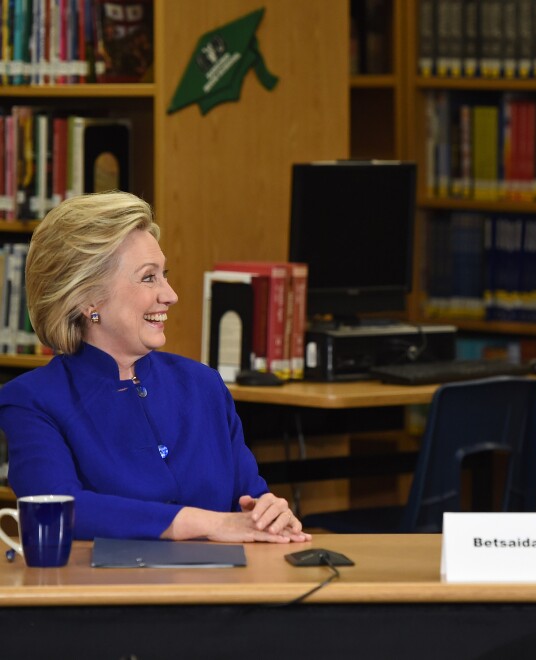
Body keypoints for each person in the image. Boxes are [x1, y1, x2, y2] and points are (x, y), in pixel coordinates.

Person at [0, 191, 311, 543]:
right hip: (108, 593)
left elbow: (250, 498)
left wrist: (270, 511)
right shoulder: (31, 401)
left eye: (164, 274)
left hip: (225, 590)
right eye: (149, 278)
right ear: (87, 298)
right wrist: (207, 523)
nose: (170, 294)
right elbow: (58, 510)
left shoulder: (203, 385)